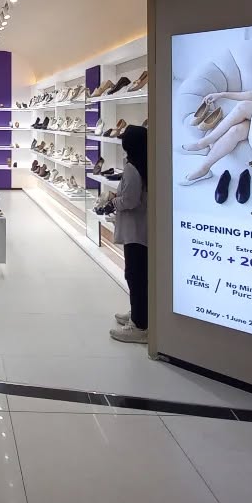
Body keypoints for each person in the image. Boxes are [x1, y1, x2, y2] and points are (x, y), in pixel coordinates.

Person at [179, 21, 252, 184]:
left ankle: (204, 143)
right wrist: (222, 94)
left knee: (244, 108)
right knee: (236, 129)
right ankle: (204, 166)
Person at [109, 124, 149, 344]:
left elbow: (130, 200)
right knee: (139, 275)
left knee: (135, 275)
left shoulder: (132, 168)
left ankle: (140, 324)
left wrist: (115, 201)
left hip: (135, 229)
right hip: (142, 228)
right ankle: (139, 313)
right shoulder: (146, 163)